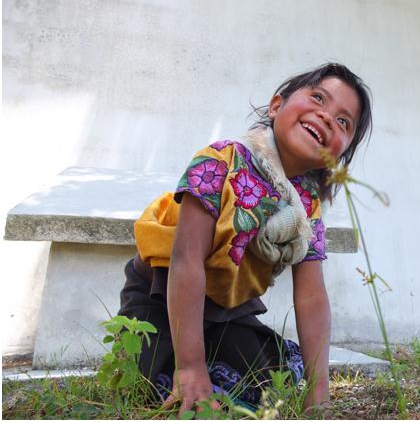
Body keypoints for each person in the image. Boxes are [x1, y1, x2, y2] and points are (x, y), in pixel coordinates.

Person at [117, 62, 373, 415]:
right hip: (160, 297)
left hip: (227, 311)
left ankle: (208, 363)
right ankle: (185, 363)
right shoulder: (220, 161)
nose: (328, 116)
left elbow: (312, 296)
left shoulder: (306, 206)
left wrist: (319, 389)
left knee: (267, 380)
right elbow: (186, 260)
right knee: (153, 376)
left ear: (339, 153)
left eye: (344, 121)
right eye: (318, 98)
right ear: (276, 106)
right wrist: (190, 367)